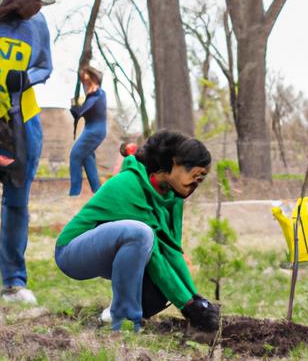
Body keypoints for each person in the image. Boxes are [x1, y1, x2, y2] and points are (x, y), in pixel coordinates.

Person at [55, 130, 219, 332]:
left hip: (116, 250)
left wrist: (195, 299)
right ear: (170, 164)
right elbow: (156, 253)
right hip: (73, 252)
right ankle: (122, 312)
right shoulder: (129, 185)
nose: (195, 183)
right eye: (193, 176)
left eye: (200, 179)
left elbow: (172, 250)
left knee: (159, 288)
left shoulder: (173, 196)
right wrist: (185, 305)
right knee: (141, 233)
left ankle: (114, 316)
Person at [0, 0, 54, 305]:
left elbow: (45, 65)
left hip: (23, 124)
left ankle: (13, 283)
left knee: (17, 202)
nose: (40, 7)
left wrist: (27, 77)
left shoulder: (38, 25)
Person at [69, 65, 107, 195]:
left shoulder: (98, 94)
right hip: (90, 129)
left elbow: (88, 108)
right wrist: (77, 110)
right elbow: (84, 110)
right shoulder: (92, 94)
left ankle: (74, 192)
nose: (85, 83)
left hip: (95, 131)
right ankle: (97, 190)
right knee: (87, 157)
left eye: (87, 79)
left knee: (75, 155)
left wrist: (78, 111)